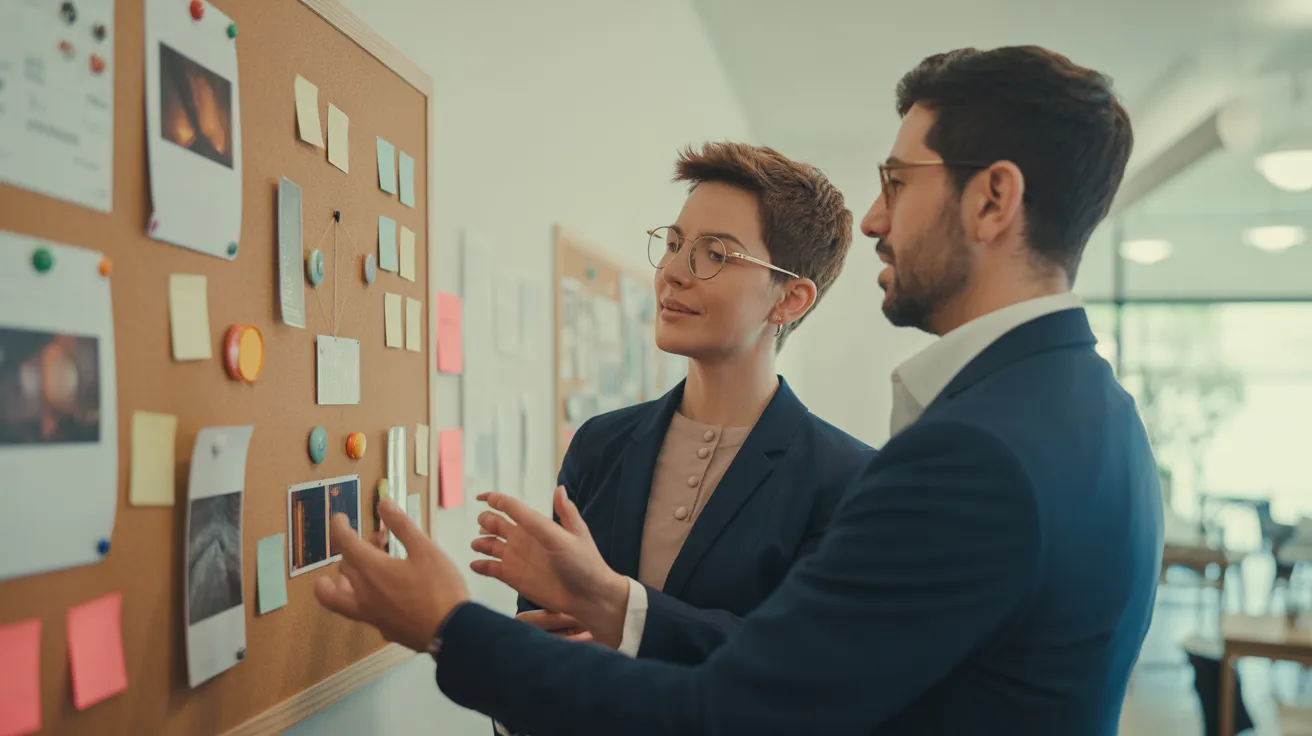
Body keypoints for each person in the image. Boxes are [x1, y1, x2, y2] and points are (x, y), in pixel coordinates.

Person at [316, 45, 1166, 736]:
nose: (875, 219)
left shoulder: (966, 453)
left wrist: (448, 626)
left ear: (992, 200)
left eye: (898, 184)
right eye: (675, 243)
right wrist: (613, 605)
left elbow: (733, 711)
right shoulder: (1099, 414)